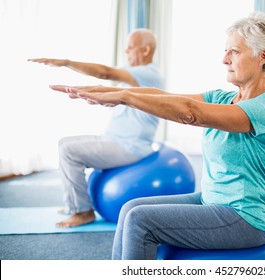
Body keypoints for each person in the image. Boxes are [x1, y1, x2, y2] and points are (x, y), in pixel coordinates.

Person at [50, 12, 265, 260]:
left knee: (141, 220)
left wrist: (124, 97)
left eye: (234, 52)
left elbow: (191, 113)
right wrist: (105, 91)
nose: (224, 59)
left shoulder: (264, 109)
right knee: (130, 207)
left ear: (263, 56)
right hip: (213, 200)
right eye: (225, 51)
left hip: (244, 218)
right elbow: (166, 96)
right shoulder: (223, 97)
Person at [29, 28, 165, 228]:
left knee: (69, 151)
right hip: (113, 139)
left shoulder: (149, 74)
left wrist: (66, 63)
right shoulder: (133, 75)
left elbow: (105, 72)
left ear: (145, 50)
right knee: (64, 142)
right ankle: (73, 203)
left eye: (130, 48)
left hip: (131, 147)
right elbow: (105, 79)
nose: (126, 52)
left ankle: (83, 212)